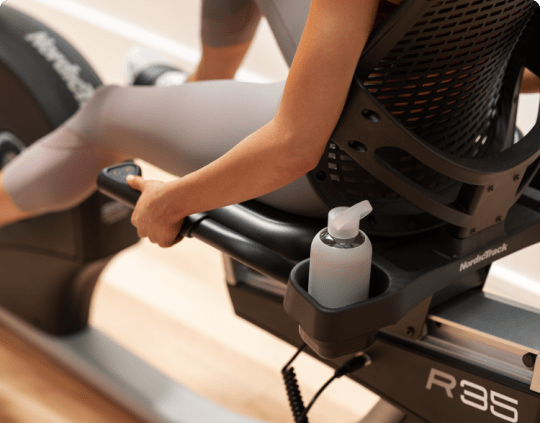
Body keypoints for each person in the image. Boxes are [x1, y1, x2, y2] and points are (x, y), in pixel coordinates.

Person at [0, 0, 538, 248]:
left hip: (350, 168)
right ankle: (199, 93)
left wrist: (170, 203)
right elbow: (529, 71)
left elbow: (294, 148)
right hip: (466, 139)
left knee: (105, 111)